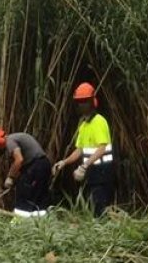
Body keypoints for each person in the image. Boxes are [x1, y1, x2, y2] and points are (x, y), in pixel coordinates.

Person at [53, 82, 115, 216]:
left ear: (93, 101)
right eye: (80, 102)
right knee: (92, 205)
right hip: (91, 173)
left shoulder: (99, 121)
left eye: (85, 101)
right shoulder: (84, 125)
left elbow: (102, 148)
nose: (82, 105)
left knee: (99, 206)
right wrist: (64, 162)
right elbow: (79, 150)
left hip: (102, 172)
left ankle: (103, 230)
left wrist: (84, 166)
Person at [0, 127, 51, 217]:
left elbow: (19, 160)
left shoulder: (9, 141)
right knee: (38, 197)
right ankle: (39, 223)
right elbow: (20, 165)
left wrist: (10, 178)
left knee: (23, 193)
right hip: (43, 164)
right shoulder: (14, 138)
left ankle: (19, 221)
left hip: (36, 166)